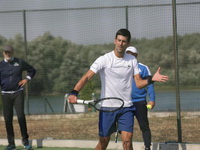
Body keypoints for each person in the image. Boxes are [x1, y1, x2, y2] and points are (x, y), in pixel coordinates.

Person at [68, 28, 168, 150]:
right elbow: (87, 76)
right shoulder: (104, 59)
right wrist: (74, 92)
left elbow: (139, 83)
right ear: (115, 41)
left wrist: (151, 79)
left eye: (124, 41)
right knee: (104, 142)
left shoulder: (132, 60)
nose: (121, 44)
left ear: (128, 43)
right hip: (107, 108)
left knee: (127, 141)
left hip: (126, 107)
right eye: (119, 40)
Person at [0, 45, 36, 150]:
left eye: (9, 52)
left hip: (18, 93)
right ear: (3, 53)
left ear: (13, 52)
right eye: (6, 52)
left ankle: (25, 142)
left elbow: (32, 70)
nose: (8, 54)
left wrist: (27, 79)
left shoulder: (19, 62)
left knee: (20, 117)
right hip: (5, 94)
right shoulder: (1, 65)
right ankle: (11, 144)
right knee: (7, 119)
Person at [126, 46, 155, 150]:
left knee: (144, 126)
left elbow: (150, 85)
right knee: (126, 130)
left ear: (136, 55)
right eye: (127, 53)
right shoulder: (121, 67)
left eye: (132, 53)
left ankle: (147, 147)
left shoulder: (143, 68)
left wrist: (152, 100)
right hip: (126, 103)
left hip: (140, 102)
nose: (129, 55)